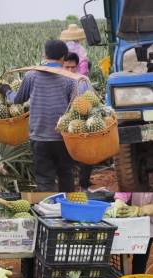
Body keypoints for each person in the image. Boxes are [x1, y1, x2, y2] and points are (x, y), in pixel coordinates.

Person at [0, 40, 82, 192]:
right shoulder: (70, 78)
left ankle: (48, 209)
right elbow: (75, 107)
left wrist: (5, 90)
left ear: (44, 55)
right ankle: (68, 207)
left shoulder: (31, 76)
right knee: (66, 174)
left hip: (39, 137)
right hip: (63, 137)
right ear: (64, 57)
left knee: (44, 178)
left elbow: (17, 100)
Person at [63, 52, 94, 192]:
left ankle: (84, 184)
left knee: (87, 154)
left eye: (73, 67)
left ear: (77, 67)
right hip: (64, 122)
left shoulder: (83, 80)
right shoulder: (58, 80)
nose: (70, 71)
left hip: (82, 120)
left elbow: (93, 99)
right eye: (67, 67)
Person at [114, 193, 153, 274]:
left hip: (150, 225)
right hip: (134, 221)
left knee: (140, 258)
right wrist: (120, 201)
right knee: (123, 253)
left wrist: (142, 210)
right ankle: (123, 277)